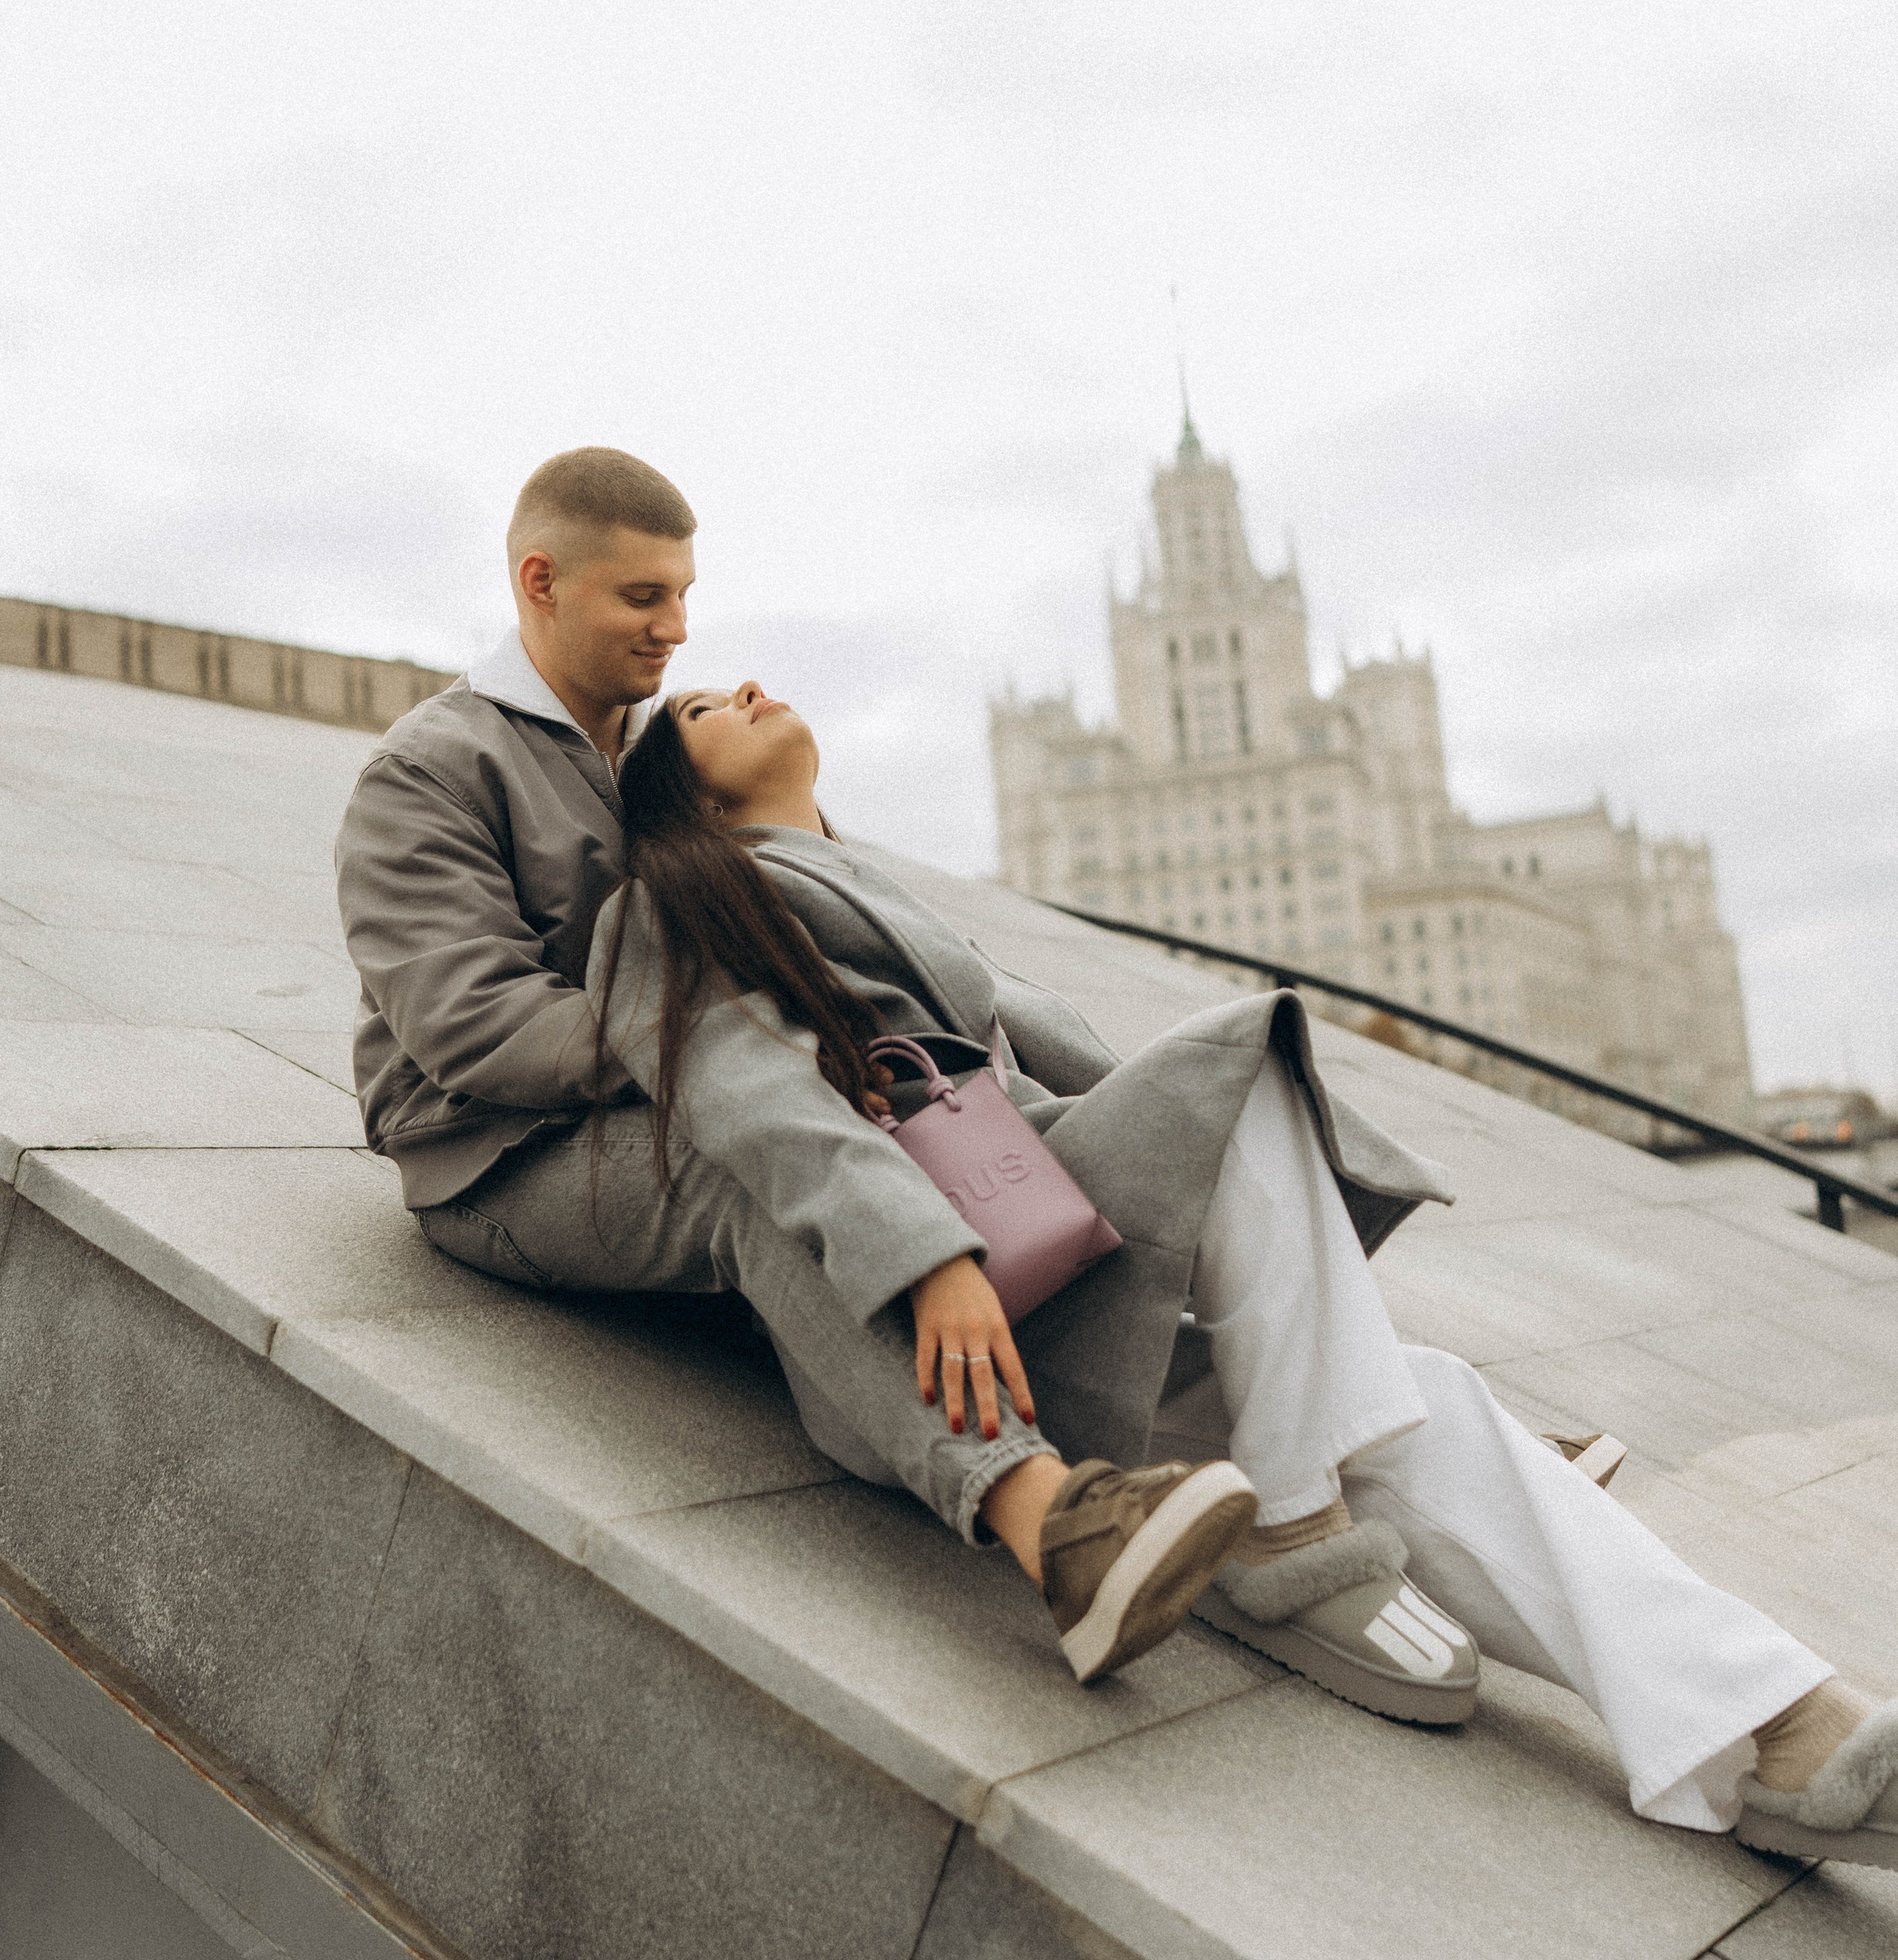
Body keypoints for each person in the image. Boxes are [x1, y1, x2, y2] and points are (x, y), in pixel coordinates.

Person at [337, 447, 1898, 1867]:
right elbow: (554, 1047)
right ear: (540, 583)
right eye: (648, 603)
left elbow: (1029, 1032)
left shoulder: (762, 834)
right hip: (560, 1167)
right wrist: (806, 1123)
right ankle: (1257, 1509)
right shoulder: (503, 800)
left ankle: (1773, 1730)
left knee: (1423, 1391)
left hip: (984, 1188)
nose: (693, 641)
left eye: (687, 598)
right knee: (1217, 1100)